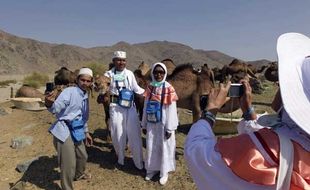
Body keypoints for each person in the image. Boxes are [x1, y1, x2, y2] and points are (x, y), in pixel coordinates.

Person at [184, 32, 310, 190]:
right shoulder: (296, 141)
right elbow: (284, 139)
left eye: (285, 81)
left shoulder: (259, 154)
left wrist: (210, 112)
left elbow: (197, 153)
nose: (279, 84)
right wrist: (248, 112)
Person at [47, 68, 93, 190]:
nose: (85, 83)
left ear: (91, 82)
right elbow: (56, 109)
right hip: (64, 129)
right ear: (77, 80)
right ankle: (67, 187)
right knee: (69, 163)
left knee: (83, 156)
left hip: (77, 129)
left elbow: (83, 117)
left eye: (88, 81)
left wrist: (86, 132)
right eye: (82, 80)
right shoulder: (70, 92)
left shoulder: (85, 95)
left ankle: (78, 175)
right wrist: (49, 103)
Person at [104, 51, 145, 170]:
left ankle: (139, 162)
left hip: (130, 106)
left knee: (135, 133)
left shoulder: (130, 74)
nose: (121, 62)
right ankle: (120, 159)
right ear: (114, 61)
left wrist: (150, 93)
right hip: (115, 107)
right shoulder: (108, 74)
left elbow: (136, 89)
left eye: (123, 60)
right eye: (118, 60)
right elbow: (102, 86)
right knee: (117, 133)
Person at [141, 62, 179, 185]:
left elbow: (172, 110)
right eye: (156, 72)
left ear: (165, 74)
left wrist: (170, 128)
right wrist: (144, 124)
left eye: (161, 72)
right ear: (152, 73)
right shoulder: (150, 87)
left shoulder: (169, 88)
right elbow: (146, 106)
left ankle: (164, 172)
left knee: (164, 147)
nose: (158, 74)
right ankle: (152, 169)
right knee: (151, 145)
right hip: (152, 123)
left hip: (164, 124)